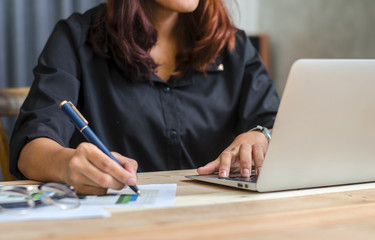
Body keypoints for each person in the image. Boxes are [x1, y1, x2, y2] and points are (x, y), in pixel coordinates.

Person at [9, 0, 279, 195]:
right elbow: (31, 145)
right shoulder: (75, 38)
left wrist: (261, 135)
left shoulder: (234, 46)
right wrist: (67, 165)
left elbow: (277, 125)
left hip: (220, 221)